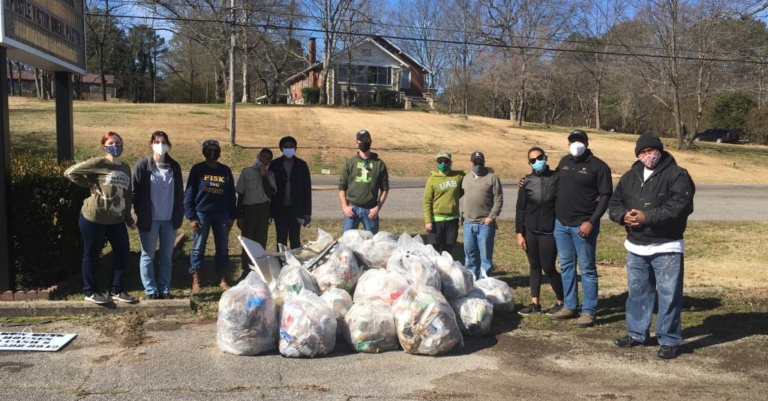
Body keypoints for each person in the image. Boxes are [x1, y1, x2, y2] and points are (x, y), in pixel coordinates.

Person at [608, 132, 695, 359]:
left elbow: (680, 206)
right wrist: (621, 216)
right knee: (637, 292)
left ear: (660, 151)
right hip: (636, 245)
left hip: (666, 246)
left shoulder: (677, 175)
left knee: (668, 295)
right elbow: (615, 202)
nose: (648, 156)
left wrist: (648, 217)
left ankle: (669, 339)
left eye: (651, 151)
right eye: (643, 152)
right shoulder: (630, 175)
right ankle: (637, 333)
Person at [549, 130, 612, 328]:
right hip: (561, 225)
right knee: (567, 267)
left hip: (583, 226)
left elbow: (606, 196)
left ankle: (589, 311)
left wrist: (591, 221)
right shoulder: (565, 161)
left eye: (579, 140)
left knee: (587, 269)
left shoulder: (599, 166)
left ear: (586, 142)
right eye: (572, 141)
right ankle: (569, 306)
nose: (576, 144)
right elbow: (553, 182)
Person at [64, 131, 137, 304]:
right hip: (93, 218)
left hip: (116, 220)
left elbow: (127, 195)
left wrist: (128, 218)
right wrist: (91, 184)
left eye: (118, 142)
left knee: (123, 254)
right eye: (111, 143)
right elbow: (70, 173)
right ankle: (91, 292)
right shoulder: (99, 163)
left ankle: (116, 290)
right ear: (104, 147)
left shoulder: (125, 167)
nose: (115, 146)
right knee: (92, 255)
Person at [132, 131, 184, 300]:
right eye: (157, 142)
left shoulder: (174, 167)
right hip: (150, 220)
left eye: (163, 142)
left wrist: (179, 213)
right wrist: (137, 213)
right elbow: (134, 193)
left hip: (169, 220)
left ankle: (164, 289)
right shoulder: (142, 166)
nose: (160, 145)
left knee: (166, 257)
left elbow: (179, 194)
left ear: (168, 145)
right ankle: (151, 290)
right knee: (148, 256)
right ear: (151, 144)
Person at [515, 147, 565, 315]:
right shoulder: (526, 181)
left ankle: (561, 301)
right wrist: (519, 233)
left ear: (546, 157)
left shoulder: (557, 178)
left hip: (549, 231)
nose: (537, 162)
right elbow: (520, 208)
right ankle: (535, 303)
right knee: (534, 266)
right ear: (529, 163)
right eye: (533, 160)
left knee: (548, 267)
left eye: (540, 158)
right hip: (530, 231)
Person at [184, 139, 237, 292]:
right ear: (204, 151)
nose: (212, 152)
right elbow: (189, 194)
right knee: (198, 248)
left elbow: (231, 195)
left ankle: (221, 278)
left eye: (215, 149)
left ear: (219, 152)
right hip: (202, 214)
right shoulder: (197, 169)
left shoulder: (225, 170)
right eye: (209, 149)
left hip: (222, 214)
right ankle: (197, 280)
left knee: (222, 247)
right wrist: (191, 217)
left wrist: (232, 216)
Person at [461, 151, 503, 279]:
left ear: (484, 162)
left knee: (485, 257)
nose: (478, 165)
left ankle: (485, 282)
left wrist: (491, 217)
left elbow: (498, 199)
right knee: (470, 256)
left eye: (480, 162)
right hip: (468, 223)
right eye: (475, 162)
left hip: (484, 224)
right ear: (471, 163)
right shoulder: (465, 178)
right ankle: (471, 280)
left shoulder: (492, 178)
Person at [339, 129, 389, 234]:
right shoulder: (350, 163)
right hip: (352, 209)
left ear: (370, 141)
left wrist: (377, 207)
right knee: (348, 242)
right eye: (361, 140)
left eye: (366, 139)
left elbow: (385, 189)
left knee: (371, 243)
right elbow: (342, 187)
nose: (363, 142)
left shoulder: (379, 164)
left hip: (371, 210)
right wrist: (345, 206)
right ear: (357, 142)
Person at [236, 148, 276, 275]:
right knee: (248, 238)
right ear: (258, 156)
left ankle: (258, 267)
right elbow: (240, 195)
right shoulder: (246, 172)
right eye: (262, 157)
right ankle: (246, 268)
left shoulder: (270, 175)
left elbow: (270, 192)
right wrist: (239, 215)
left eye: (267, 159)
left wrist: (264, 175)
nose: (264, 160)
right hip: (249, 209)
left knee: (261, 238)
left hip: (263, 209)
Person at [269, 136, 312, 250]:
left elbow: (306, 189)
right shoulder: (274, 165)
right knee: (280, 238)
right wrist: (269, 211)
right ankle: (281, 263)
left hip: (296, 208)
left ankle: (294, 264)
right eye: (286, 147)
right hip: (279, 208)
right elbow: (269, 188)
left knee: (295, 237)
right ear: (281, 148)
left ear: (295, 148)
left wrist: (307, 212)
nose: (288, 149)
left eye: (291, 147)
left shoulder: (302, 165)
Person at [423, 151, 464, 254]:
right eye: (440, 161)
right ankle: (435, 270)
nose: (443, 164)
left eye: (446, 161)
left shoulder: (458, 176)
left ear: (450, 163)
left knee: (448, 251)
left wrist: (486, 169)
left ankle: (445, 269)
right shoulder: (432, 180)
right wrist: (428, 220)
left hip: (452, 219)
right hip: (436, 220)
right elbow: (427, 201)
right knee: (434, 251)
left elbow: (471, 171)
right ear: (437, 162)